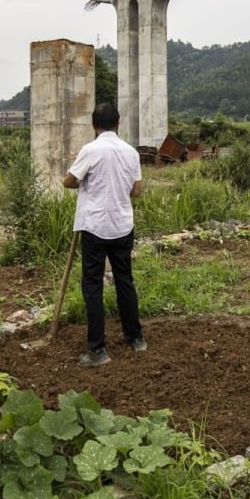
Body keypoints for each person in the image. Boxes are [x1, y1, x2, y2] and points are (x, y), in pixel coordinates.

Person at [63, 102, 145, 367]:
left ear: (94, 125)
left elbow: (68, 181)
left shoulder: (90, 150)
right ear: (118, 124)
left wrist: (82, 181)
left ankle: (98, 350)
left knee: (93, 286)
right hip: (122, 226)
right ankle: (135, 339)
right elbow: (137, 190)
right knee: (125, 281)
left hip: (95, 227)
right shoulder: (131, 153)